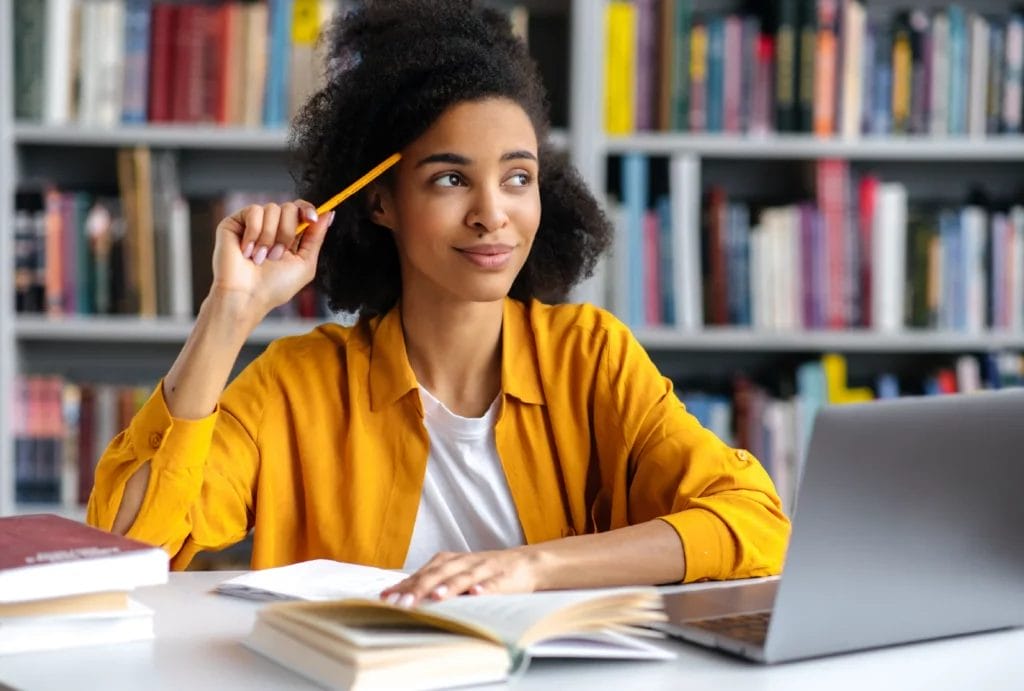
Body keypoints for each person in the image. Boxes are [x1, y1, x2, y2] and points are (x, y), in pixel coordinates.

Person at [87, 0, 789, 607]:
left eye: (518, 177)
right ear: (382, 202)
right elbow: (126, 548)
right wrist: (229, 314)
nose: (493, 215)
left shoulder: (589, 357)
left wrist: (533, 565)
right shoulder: (296, 387)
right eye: (451, 179)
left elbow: (754, 522)